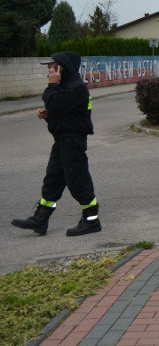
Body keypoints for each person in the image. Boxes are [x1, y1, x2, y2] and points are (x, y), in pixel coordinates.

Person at [12, 51, 102, 237]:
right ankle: (41, 218)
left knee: (77, 179)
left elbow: (58, 105)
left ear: (65, 68)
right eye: (49, 69)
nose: (50, 72)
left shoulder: (76, 87)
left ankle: (91, 220)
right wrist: (48, 114)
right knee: (53, 179)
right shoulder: (67, 86)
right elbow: (61, 110)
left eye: (54, 68)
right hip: (62, 140)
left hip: (72, 140)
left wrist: (52, 88)